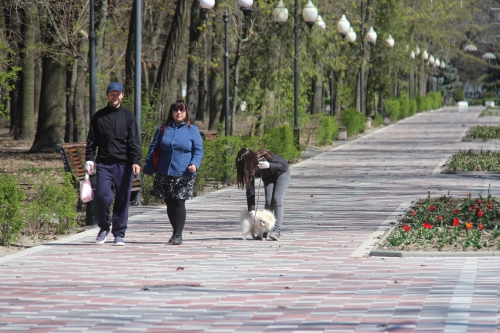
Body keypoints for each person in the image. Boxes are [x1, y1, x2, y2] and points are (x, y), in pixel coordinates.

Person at [85, 82, 142, 246]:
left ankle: (119, 233)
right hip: (104, 164)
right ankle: (104, 227)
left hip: (124, 165)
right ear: (107, 95)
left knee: (123, 198)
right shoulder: (99, 116)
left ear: (122, 95)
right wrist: (90, 159)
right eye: (112, 93)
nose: (114, 96)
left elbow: (134, 142)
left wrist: (136, 161)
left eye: (118, 94)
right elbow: (91, 142)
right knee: (103, 196)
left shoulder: (128, 116)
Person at [143, 99, 204, 245]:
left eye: (181, 110)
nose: (178, 113)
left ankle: (178, 234)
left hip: (184, 172)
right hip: (165, 171)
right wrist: (149, 167)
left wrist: (195, 164)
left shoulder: (192, 130)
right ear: (171, 112)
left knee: (179, 201)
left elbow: (198, 150)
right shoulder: (163, 128)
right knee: (169, 203)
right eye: (176, 110)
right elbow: (154, 148)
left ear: (186, 112)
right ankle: (175, 230)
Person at [236, 148, 290, 241]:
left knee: (277, 199)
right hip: (268, 178)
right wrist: (251, 210)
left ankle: (277, 230)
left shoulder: (264, 157)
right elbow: (250, 190)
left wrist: (269, 165)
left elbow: (284, 166)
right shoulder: (248, 169)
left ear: (250, 160)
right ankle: (265, 230)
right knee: (269, 201)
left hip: (281, 174)